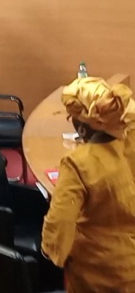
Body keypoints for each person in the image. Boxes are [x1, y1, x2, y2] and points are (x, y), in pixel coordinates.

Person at [41, 77, 135, 292]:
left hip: (100, 273)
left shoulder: (78, 163)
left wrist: (51, 250)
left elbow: (60, 224)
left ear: (81, 127)